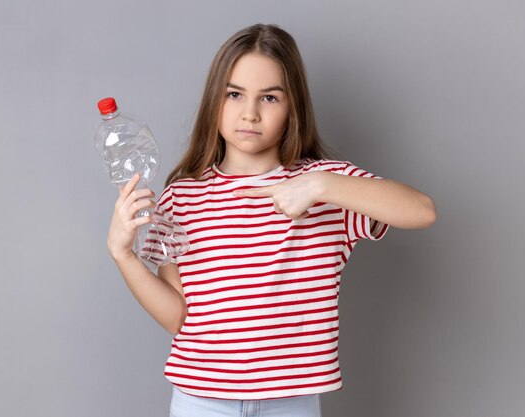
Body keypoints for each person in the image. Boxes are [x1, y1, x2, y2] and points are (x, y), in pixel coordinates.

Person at [106, 23, 436, 417]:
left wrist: (318, 185)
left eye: (269, 98)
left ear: (292, 106)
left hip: (292, 404)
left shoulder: (329, 188)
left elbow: (421, 210)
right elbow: (177, 316)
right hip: (202, 402)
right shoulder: (181, 197)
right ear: (215, 100)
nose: (250, 113)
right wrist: (123, 254)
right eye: (234, 94)